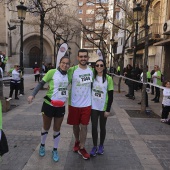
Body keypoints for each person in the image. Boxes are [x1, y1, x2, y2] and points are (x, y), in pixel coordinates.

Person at [27, 56, 70, 162]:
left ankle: (55, 150)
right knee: (46, 127)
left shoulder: (70, 74)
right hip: (48, 104)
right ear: (59, 63)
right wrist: (32, 95)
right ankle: (42, 145)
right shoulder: (52, 72)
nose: (65, 65)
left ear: (70, 65)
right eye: (63, 63)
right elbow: (41, 83)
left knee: (57, 128)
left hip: (60, 106)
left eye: (67, 63)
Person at [67, 49, 93, 160]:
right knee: (75, 125)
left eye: (85, 56)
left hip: (87, 104)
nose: (83, 58)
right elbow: (64, 81)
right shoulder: (72, 70)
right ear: (78, 58)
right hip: (73, 103)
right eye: (81, 56)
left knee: (84, 125)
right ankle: (77, 141)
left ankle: (82, 147)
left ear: (88, 58)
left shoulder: (92, 70)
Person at [90, 59, 113, 157]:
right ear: (95, 67)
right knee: (94, 127)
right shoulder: (92, 77)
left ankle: (101, 146)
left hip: (103, 107)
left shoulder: (108, 78)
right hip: (93, 107)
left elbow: (111, 95)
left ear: (104, 67)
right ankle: (94, 146)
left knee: (102, 127)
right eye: (97, 65)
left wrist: (108, 110)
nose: (99, 67)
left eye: (101, 65)